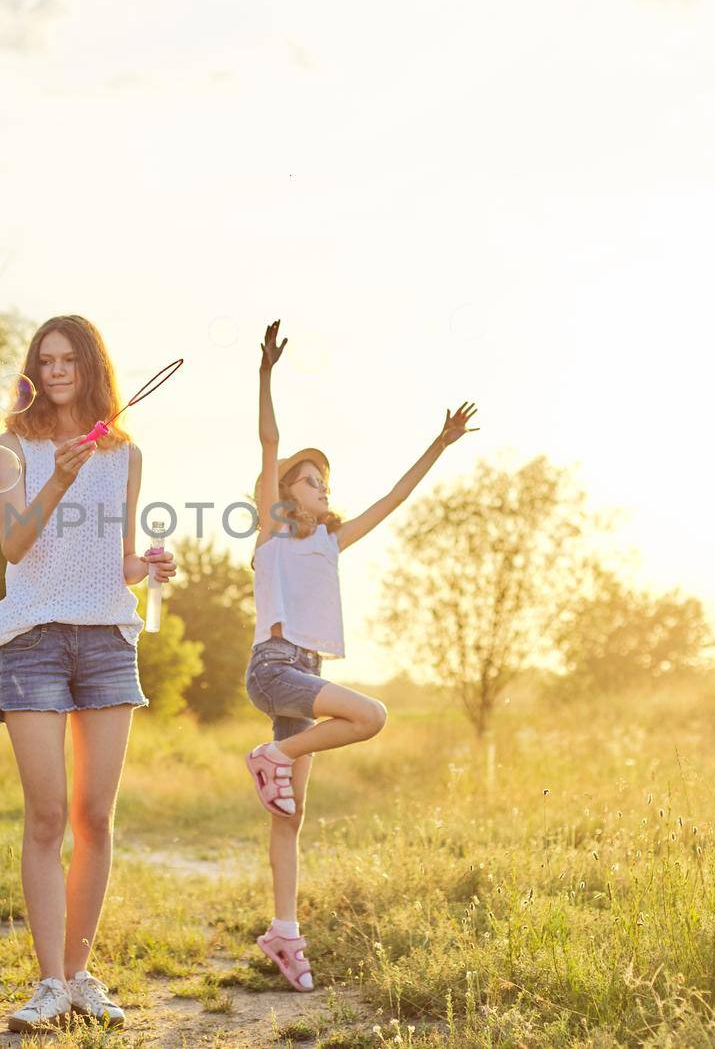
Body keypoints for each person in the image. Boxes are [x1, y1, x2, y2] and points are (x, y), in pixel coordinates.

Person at [244, 321, 477, 992]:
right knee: (371, 715)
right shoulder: (272, 533)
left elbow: (397, 497)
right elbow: (270, 442)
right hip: (274, 666)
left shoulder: (332, 540)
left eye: (325, 479)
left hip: (306, 673)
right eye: (309, 479)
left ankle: (283, 933)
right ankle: (273, 757)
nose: (320, 485)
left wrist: (440, 441)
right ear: (288, 494)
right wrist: (265, 376)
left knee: (290, 818)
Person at [0, 315, 176, 1032]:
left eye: (70, 358)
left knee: (95, 816)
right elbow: (14, 544)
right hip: (32, 638)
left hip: (106, 640)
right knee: (46, 815)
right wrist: (58, 478)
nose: (58, 368)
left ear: (90, 366)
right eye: (47, 358)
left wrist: (147, 567)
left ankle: (78, 976)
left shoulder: (124, 455)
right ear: (33, 369)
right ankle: (47, 983)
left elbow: (116, 558)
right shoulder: (13, 447)